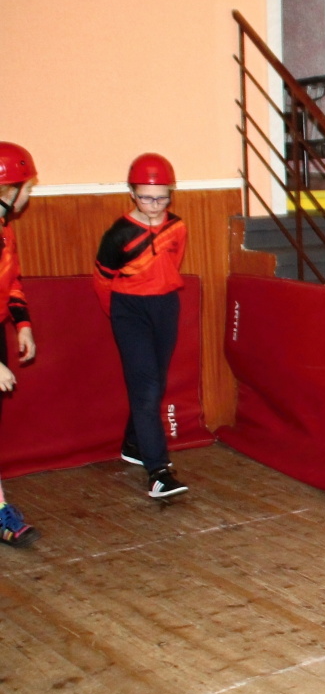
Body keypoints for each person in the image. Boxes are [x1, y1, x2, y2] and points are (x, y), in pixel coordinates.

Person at [94, 153, 189, 499]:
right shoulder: (118, 234)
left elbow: (172, 263)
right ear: (132, 194)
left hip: (165, 306)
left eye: (162, 198)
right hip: (128, 309)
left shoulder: (177, 227)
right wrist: (119, 317)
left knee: (156, 383)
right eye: (147, 198)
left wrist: (160, 295)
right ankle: (158, 471)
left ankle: (134, 443)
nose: (155, 205)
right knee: (146, 388)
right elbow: (102, 280)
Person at [0, 142, 40, 545]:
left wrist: (22, 324)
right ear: (8, 190)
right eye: (26, 187)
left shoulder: (4, 228)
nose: (29, 194)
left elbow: (11, 280)